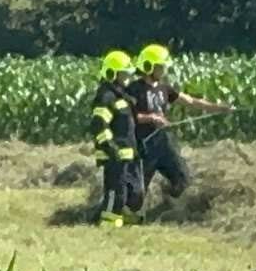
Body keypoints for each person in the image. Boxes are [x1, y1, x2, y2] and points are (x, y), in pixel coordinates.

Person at [127, 43, 233, 204]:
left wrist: (218, 108)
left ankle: (170, 206)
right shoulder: (133, 90)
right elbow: (127, 116)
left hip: (164, 143)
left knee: (183, 180)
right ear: (149, 67)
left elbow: (190, 101)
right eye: (160, 67)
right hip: (144, 145)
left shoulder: (164, 88)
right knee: (137, 190)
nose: (164, 71)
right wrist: (152, 118)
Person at [89, 50, 143, 227]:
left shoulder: (122, 96)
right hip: (114, 154)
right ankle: (108, 220)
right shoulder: (106, 97)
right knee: (115, 190)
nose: (127, 78)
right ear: (112, 73)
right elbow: (99, 125)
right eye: (123, 74)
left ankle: (124, 215)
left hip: (129, 153)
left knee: (135, 191)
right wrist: (110, 147)